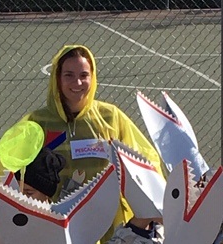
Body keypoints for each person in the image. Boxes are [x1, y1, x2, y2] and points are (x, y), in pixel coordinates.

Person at [18, 44, 159, 220]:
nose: (77, 83)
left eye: (84, 75)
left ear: (92, 78)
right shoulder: (36, 122)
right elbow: (11, 172)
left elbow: (144, 160)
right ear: (57, 78)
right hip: (53, 223)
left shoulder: (110, 117)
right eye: (69, 75)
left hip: (106, 222)